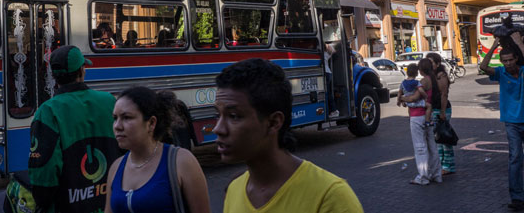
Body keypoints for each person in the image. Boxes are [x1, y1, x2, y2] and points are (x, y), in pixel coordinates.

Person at [214, 58, 363, 212]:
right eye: (217, 115)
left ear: (273, 122)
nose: (218, 129)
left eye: (234, 116)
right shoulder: (233, 191)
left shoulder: (330, 197)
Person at [29, 45, 119, 213]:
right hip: (108, 203)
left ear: (55, 77)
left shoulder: (48, 111)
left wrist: (42, 201)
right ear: (81, 71)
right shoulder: (108, 101)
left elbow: (44, 172)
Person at [105, 87, 210, 213]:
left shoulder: (181, 162)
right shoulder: (116, 168)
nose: (117, 126)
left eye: (127, 117)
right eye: (115, 118)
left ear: (151, 123)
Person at [480, 32, 524, 211]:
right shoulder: (500, 73)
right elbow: (483, 66)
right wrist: (495, 44)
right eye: (504, 61)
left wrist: (519, 42)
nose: (508, 63)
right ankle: (517, 197)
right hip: (512, 123)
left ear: (515, 59)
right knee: (515, 158)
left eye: (510, 60)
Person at [400, 58, 442, 185]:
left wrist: (402, 98)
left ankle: (423, 177)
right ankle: (436, 174)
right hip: (428, 116)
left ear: (421, 69)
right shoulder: (433, 79)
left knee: (420, 147)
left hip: (417, 115)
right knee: (432, 146)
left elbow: (414, 98)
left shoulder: (424, 81)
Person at [427, 52, 455, 175]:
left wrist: (442, 112)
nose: (429, 65)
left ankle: (448, 166)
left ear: (438, 63)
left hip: (442, 109)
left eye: (431, 62)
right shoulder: (431, 75)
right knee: (438, 139)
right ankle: (441, 164)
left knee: (444, 138)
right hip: (434, 109)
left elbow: (444, 94)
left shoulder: (441, 75)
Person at [324, 43, 339, 119]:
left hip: (325, 74)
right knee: (328, 93)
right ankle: (333, 110)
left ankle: (333, 110)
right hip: (329, 73)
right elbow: (334, 51)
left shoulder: (322, 53)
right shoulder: (327, 53)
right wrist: (327, 45)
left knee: (326, 94)